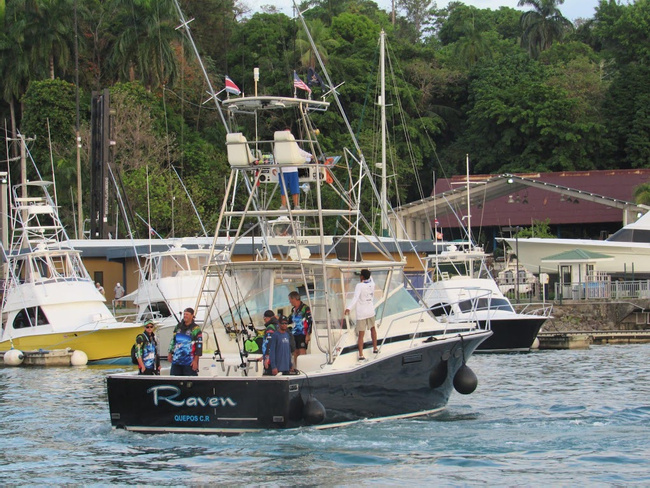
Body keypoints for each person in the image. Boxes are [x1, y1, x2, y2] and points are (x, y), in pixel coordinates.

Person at [344, 269, 378, 360]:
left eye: (360, 275)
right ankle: (375, 348)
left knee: (361, 334)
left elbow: (355, 298)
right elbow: (370, 277)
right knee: (373, 329)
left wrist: (349, 308)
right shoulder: (372, 284)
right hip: (371, 311)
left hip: (362, 313)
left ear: (362, 277)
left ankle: (361, 354)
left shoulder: (359, 285)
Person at [279, 128, 311, 210]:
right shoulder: (279, 144)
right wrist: (275, 166)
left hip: (293, 169)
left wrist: (310, 156)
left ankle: (296, 205)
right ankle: (283, 205)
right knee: (283, 189)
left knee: (295, 188)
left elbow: (299, 151)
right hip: (282, 170)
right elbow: (276, 155)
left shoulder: (293, 144)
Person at [168, 307, 203, 376]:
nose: (185, 316)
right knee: (174, 380)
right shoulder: (178, 326)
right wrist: (170, 353)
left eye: (187, 314)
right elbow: (173, 340)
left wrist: (195, 361)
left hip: (189, 361)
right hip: (176, 360)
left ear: (192, 315)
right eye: (184, 314)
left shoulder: (196, 328)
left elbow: (199, 346)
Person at [288, 291, 312, 365]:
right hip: (294, 333)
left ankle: (303, 367)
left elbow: (310, 321)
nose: (290, 302)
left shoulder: (305, 308)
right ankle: (297, 367)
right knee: (295, 352)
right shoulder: (293, 310)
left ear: (294, 299)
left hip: (303, 333)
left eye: (290, 300)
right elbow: (289, 319)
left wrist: (308, 334)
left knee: (302, 351)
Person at [261, 310, 278, 375]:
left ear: (268, 318)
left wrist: (267, 357)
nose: (264, 321)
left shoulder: (270, 327)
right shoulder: (278, 326)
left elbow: (269, 342)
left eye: (264, 319)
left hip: (270, 358)